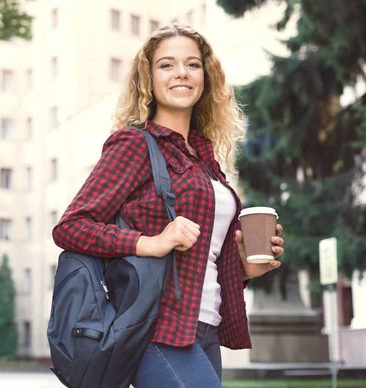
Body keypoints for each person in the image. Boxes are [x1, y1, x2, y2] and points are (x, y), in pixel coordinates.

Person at [52, 24, 285, 387]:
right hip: (159, 329)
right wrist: (151, 242)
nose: (181, 73)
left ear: (205, 78)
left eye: (192, 64)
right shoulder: (135, 144)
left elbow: (197, 263)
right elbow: (71, 226)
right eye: (167, 65)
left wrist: (243, 271)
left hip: (204, 329)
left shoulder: (205, 159)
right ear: (149, 78)